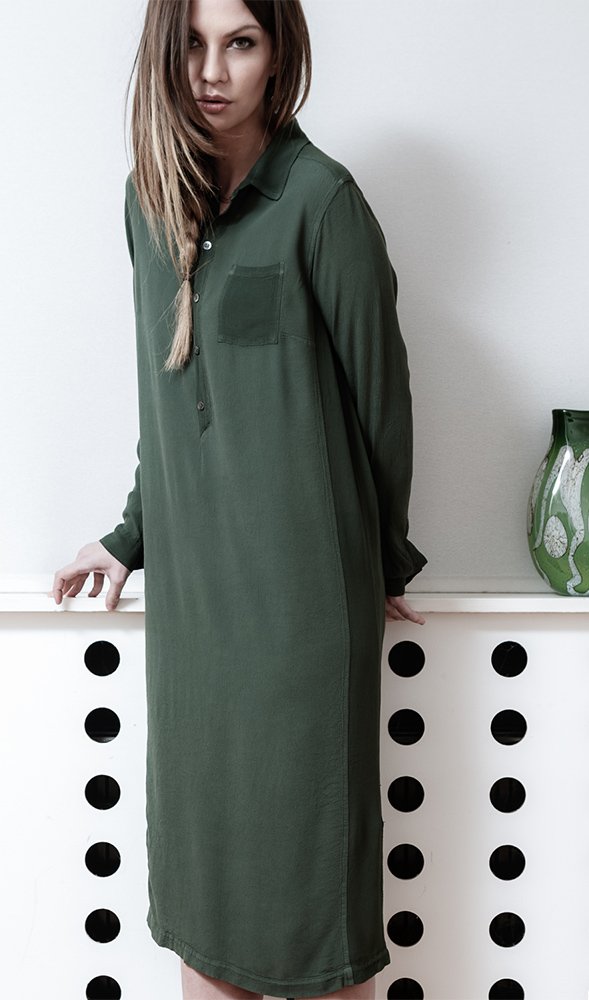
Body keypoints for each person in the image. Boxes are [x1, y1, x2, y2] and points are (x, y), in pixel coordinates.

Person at [50, 1, 427, 997]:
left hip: (302, 610)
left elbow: (381, 407)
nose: (212, 71)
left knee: (316, 909)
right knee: (204, 901)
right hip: (195, 613)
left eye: (241, 43)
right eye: (191, 44)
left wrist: (382, 560)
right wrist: (129, 535)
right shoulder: (147, 203)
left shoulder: (321, 200)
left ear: (278, 52)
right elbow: (168, 397)